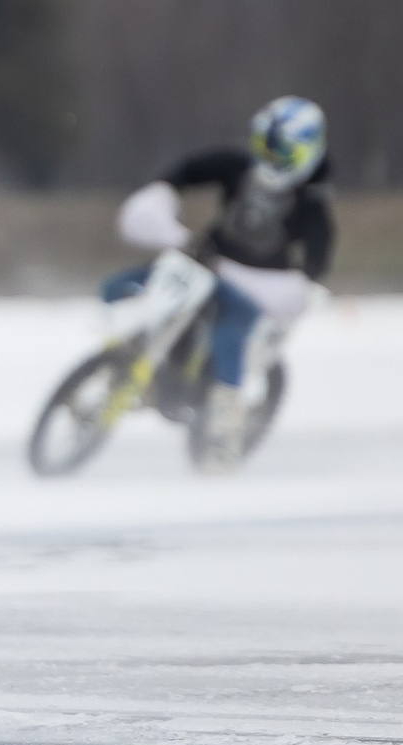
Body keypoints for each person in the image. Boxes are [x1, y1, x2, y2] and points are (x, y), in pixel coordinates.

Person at [107, 97, 333, 468]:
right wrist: (163, 189)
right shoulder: (237, 168)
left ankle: (225, 432)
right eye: (265, 147)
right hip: (204, 262)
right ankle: (122, 358)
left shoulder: (311, 204)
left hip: (251, 287)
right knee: (121, 287)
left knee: (230, 340)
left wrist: (297, 286)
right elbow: (191, 170)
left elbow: (317, 260)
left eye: (282, 152)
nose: (271, 159)